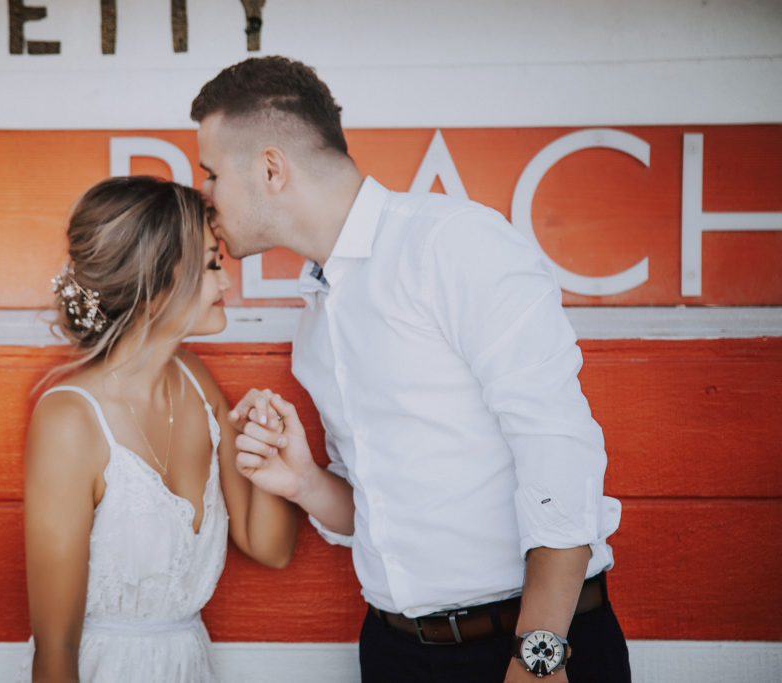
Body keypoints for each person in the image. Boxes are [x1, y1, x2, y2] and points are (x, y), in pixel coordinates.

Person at [190, 56, 631, 682]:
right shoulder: (316, 323)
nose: (205, 195)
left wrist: (539, 656)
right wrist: (305, 482)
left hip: (530, 643)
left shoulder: (450, 244)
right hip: (396, 652)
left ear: (270, 168)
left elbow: (559, 450)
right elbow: (373, 511)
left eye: (211, 174)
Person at [18, 175, 297, 683]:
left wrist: (270, 454)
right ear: (154, 283)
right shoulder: (69, 422)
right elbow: (55, 646)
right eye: (213, 264)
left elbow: (269, 547)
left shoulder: (197, 382)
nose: (226, 281)